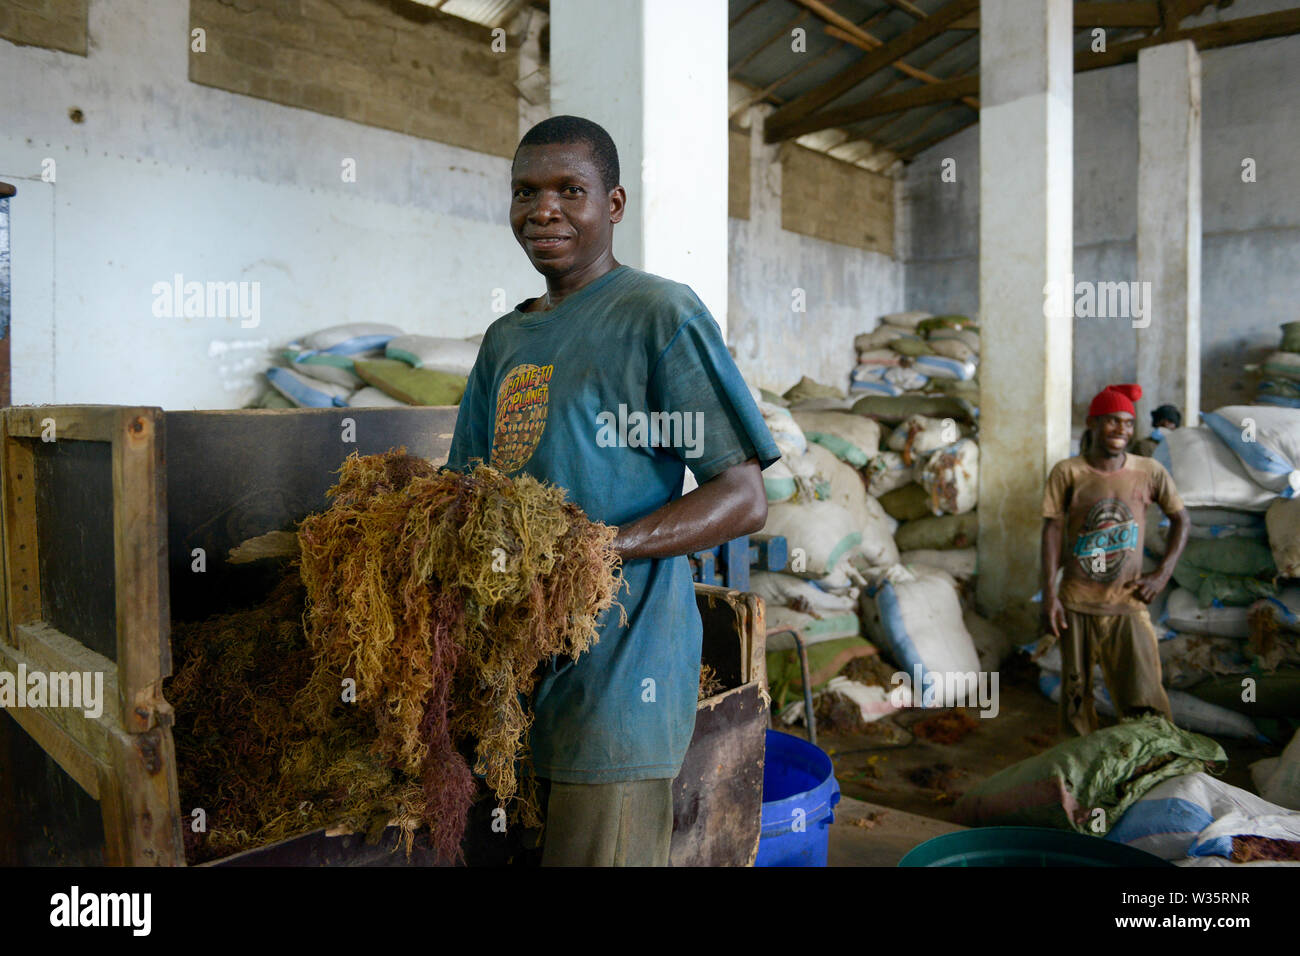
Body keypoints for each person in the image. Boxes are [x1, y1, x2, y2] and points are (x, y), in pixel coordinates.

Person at [445, 115, 780, 866]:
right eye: (525, 192)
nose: (545, 210)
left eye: (572, 190)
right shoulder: (507, 339)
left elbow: (742, 496)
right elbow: (464, 491)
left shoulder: (657, 314)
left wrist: (601, 547)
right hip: (517, 679)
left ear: (615, 205)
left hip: (621, 677)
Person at [1039, 383, 1191, 736]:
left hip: (1128, 602)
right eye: (1112, 421)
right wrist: (1049, 595)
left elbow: (1182, 519)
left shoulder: (1149, 471)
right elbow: (1051, 533)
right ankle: (1081, 777)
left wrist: (1160, 576)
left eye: (1127, 423)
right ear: (1092, 423)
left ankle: (1151, 769)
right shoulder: (1068, 472)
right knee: (1076, 702)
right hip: (1077, 602)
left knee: (1145, 699)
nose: (1121, 430)